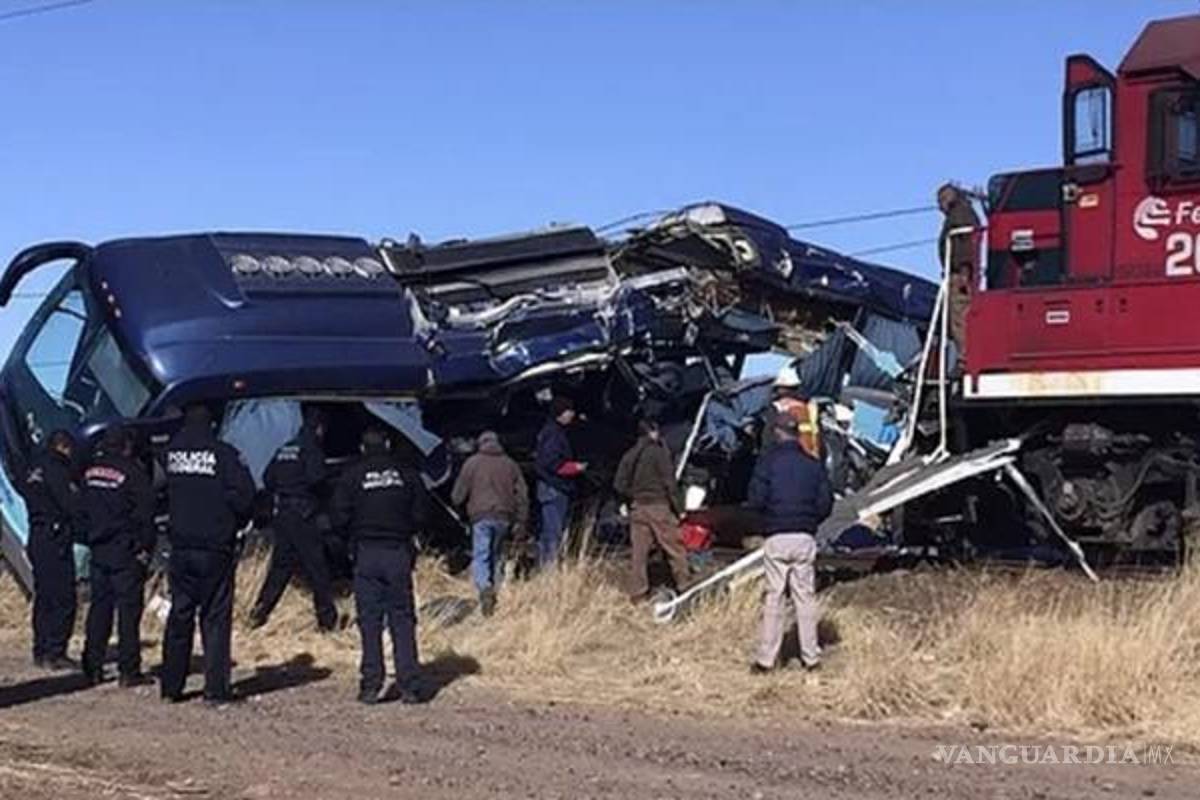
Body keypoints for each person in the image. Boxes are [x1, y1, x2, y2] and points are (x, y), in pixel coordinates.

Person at [160, 404, 256, 705]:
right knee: (215, 618)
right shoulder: (224, 454)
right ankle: (215, 690)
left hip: (181, 548)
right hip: (215, 548)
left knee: (180, 615)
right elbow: (246, 497)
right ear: (212, 425)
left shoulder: (172, 454)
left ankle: (171, 687)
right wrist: (232, 517)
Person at [332, 428, 429, 705]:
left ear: (362, 448)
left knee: (369, 620)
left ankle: (371, 685)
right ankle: (410, 684)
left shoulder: (353, 475)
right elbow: (422, 512)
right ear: (388, 445)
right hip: (397, 550)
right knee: (402, 618)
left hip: (366, 552)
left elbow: (338, 515)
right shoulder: (406, 474)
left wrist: (350, 537)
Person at [747, 416, 834, 674]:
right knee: (804, 597)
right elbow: (826, 503)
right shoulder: (813, 465)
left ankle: (766, 661)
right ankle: (811, 658)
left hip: (776, 535)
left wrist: (767, 520)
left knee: (774, 598)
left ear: (777, 433)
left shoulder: (768, 464)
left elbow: (755, 499)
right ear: (797, 434)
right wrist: (810, 521)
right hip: (804, 536)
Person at [249, 408, 337, 631]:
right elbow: (318, 479)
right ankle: (327, 621)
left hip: (284, 515)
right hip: (304, 514)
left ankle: (259, 613)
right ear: (319, 429)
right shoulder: (311, 449)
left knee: (280, 568)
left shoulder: (285, 448)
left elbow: (268, 478)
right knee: (317, 568)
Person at [80, 426, 155, 687]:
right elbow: (146, 514)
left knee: (99, 610)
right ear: (126, 445)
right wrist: (145, 548)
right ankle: (128, 670)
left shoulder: (89, 472)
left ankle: (92, 666)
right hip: (124, 550)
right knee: (128, 613)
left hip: (99, 549)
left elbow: (81, 508)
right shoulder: (133, 473)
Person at [21, 430, 81, 670]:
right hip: (55, 537)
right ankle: (56, 651)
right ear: (63, 447)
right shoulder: (57, 470)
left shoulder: (34, 468)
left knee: (44, 597)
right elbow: (69, 503)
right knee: (63, 596)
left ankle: (41, 649)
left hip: (37, 534)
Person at [450, 430, 528, 617]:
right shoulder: (510, 465)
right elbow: (522, 495)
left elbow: (457, 495)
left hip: (480, 516)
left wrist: (459, 506)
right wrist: (521, 520)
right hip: (504, 516)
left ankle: (485, 589)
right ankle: (497, 590)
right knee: (497, 554)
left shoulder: (472, 464)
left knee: (481, 554)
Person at [614, 418, 689, 602]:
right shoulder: (658, 453)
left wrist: (631, 497)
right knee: (674, 547)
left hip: (638, 508)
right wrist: (679, 508)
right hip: (659, 506)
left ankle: (638, 593)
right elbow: (669, 483)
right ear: (653, 432)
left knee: (639, 554)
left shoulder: (630, 454)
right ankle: (685, 586)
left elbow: (619, 484)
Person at [533, 397, 586, 566]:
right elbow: (550, 463)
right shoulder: (553, 434)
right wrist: (574, 468)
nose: (572, 414)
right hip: (554, 487)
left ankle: (545, 568)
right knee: (553, 533)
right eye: (568, 411)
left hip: (552, 487)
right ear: (560, 413)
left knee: (549, 532)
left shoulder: (550, 432)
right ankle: (549, 570)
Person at [936, 183, 981, 360]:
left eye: (941, 200)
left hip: (960, 274)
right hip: (958, 272)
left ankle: (965, 356)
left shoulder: (960, 214)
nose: (940, 206)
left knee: (959, 316)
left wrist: (964, 270)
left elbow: (966, 242)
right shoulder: (965, 211)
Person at [760, 364, 820, 459]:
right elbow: (807, 438)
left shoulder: (771, 408)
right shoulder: (805, 408)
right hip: (796, 457)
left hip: (773, 457)